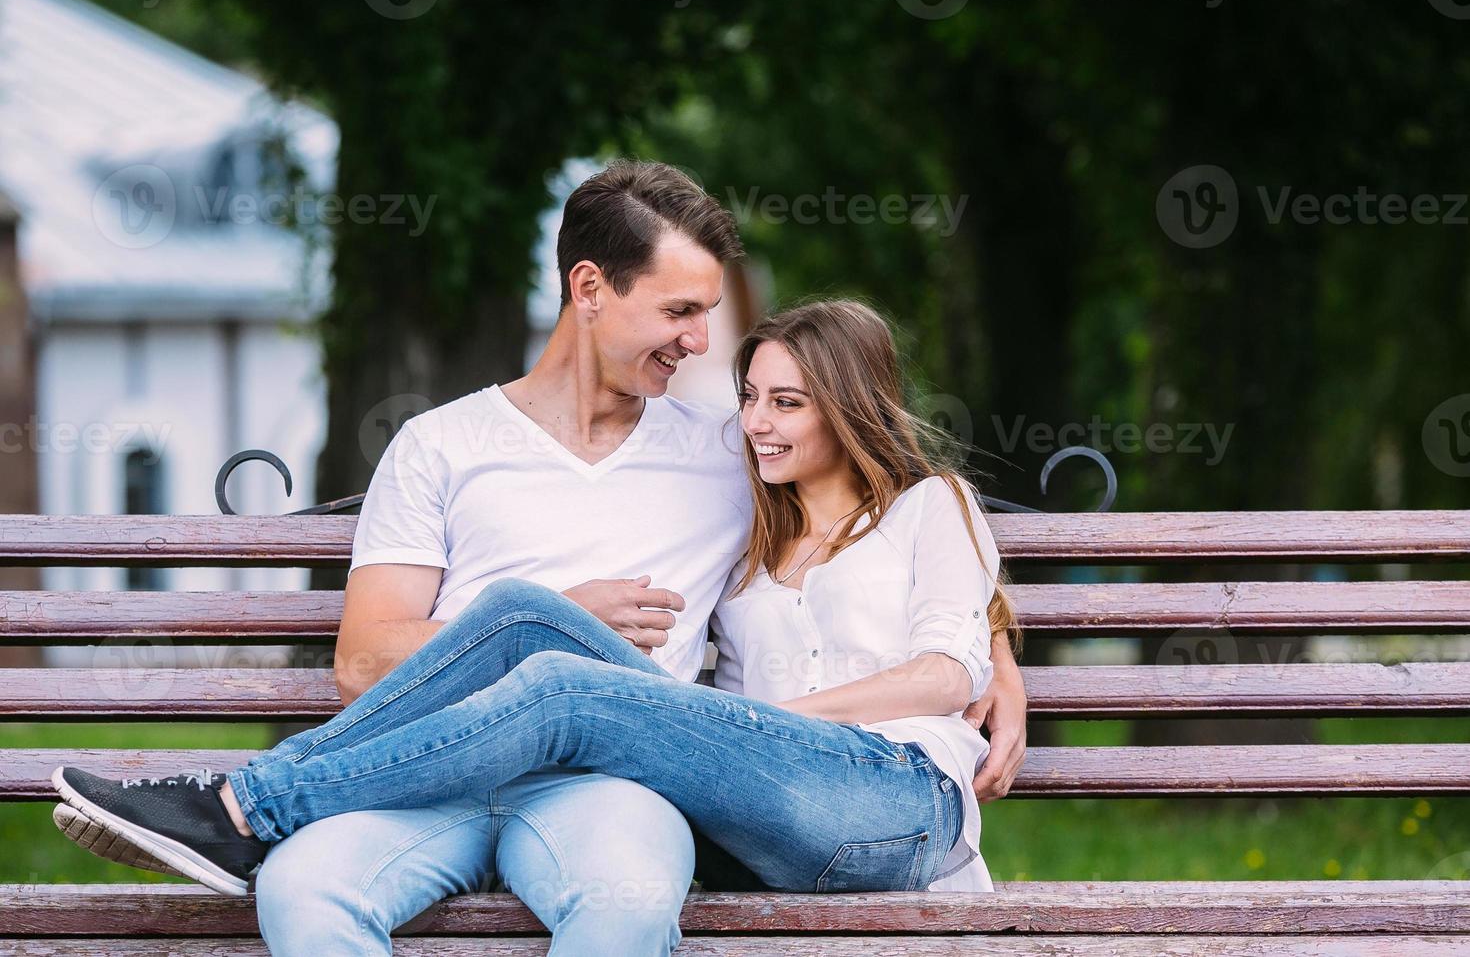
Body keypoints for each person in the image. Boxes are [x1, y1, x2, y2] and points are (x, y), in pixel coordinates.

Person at [51, 162, 1030, 954]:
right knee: (308, 890)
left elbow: (872, 498)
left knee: (620, 877)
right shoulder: (438, 445)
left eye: (707, 314)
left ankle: (236, 804)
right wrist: (575, 609)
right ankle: (249, 814)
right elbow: (361, 664)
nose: (701, 344)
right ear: (590, 288)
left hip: (612, 780)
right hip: (425, 767)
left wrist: (993, 651)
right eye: (681, 311)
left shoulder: (725, 452)